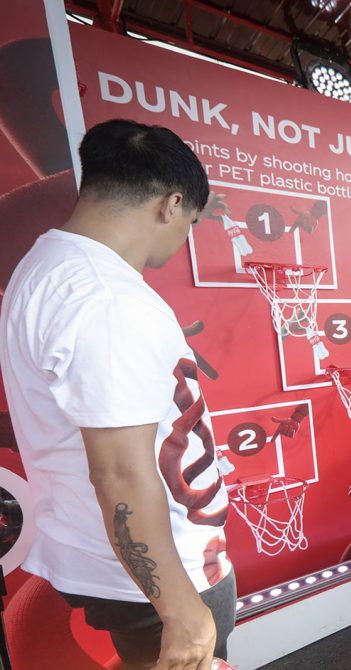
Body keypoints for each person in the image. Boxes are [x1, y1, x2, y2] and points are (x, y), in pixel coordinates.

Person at [0, 119, 234, 670]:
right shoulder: (105, 298)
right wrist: (180, 608)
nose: (183, 238)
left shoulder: (46, 268)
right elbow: (120, 473)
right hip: (157, 578)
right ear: (170, 204)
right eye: (191, 223)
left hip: (126, 566)